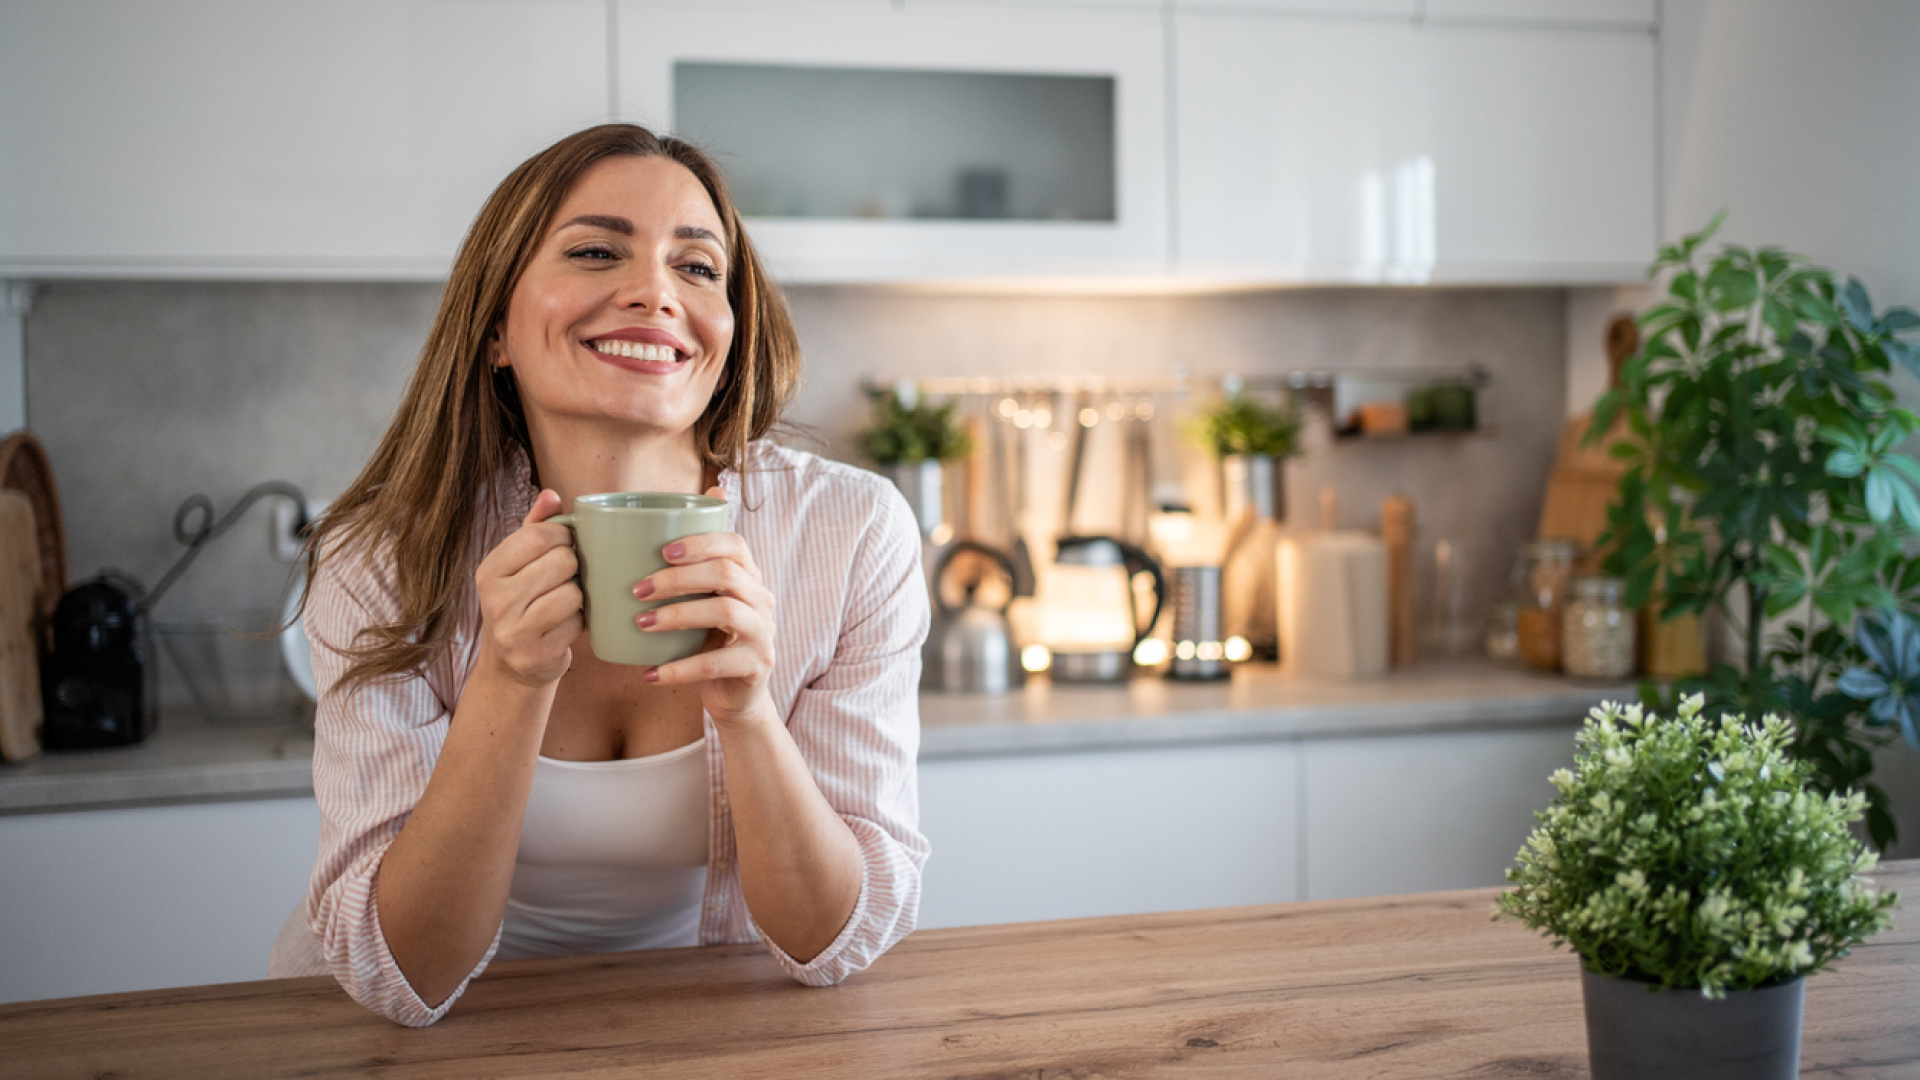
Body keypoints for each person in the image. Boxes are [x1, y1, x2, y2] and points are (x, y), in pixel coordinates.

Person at [266, 124, 931, 1028]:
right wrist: (507, 679)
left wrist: (747, 712)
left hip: (710, 1030)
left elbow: (838, 940)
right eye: (593, 252)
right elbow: (400, 975)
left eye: (697, 268)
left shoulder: (850, 534)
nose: (656, 293)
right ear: (495, 327)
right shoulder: (380, 555)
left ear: (727, 333)